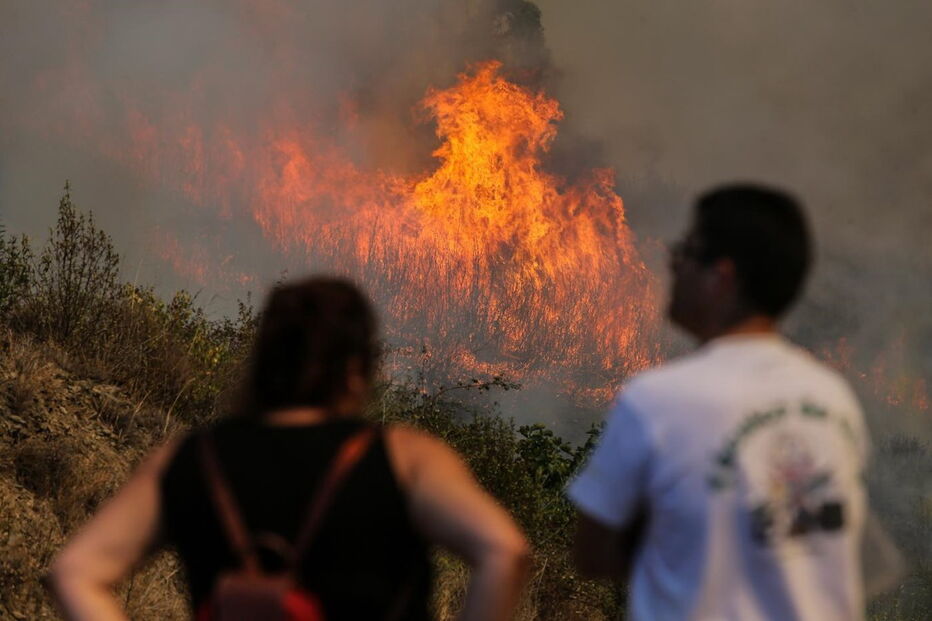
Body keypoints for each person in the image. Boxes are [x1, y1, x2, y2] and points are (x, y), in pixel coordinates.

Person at [50, 277, 530, 621]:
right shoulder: (406, 457)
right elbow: (503, 549)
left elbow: (75, 572)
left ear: (261, 362)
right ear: (355, 369)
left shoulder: (189, 457)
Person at [568, 184, 871, 620]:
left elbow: (592, 555)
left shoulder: (658, 400)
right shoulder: (834, 398)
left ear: (721, 277)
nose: (672, 262)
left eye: (686, 251)